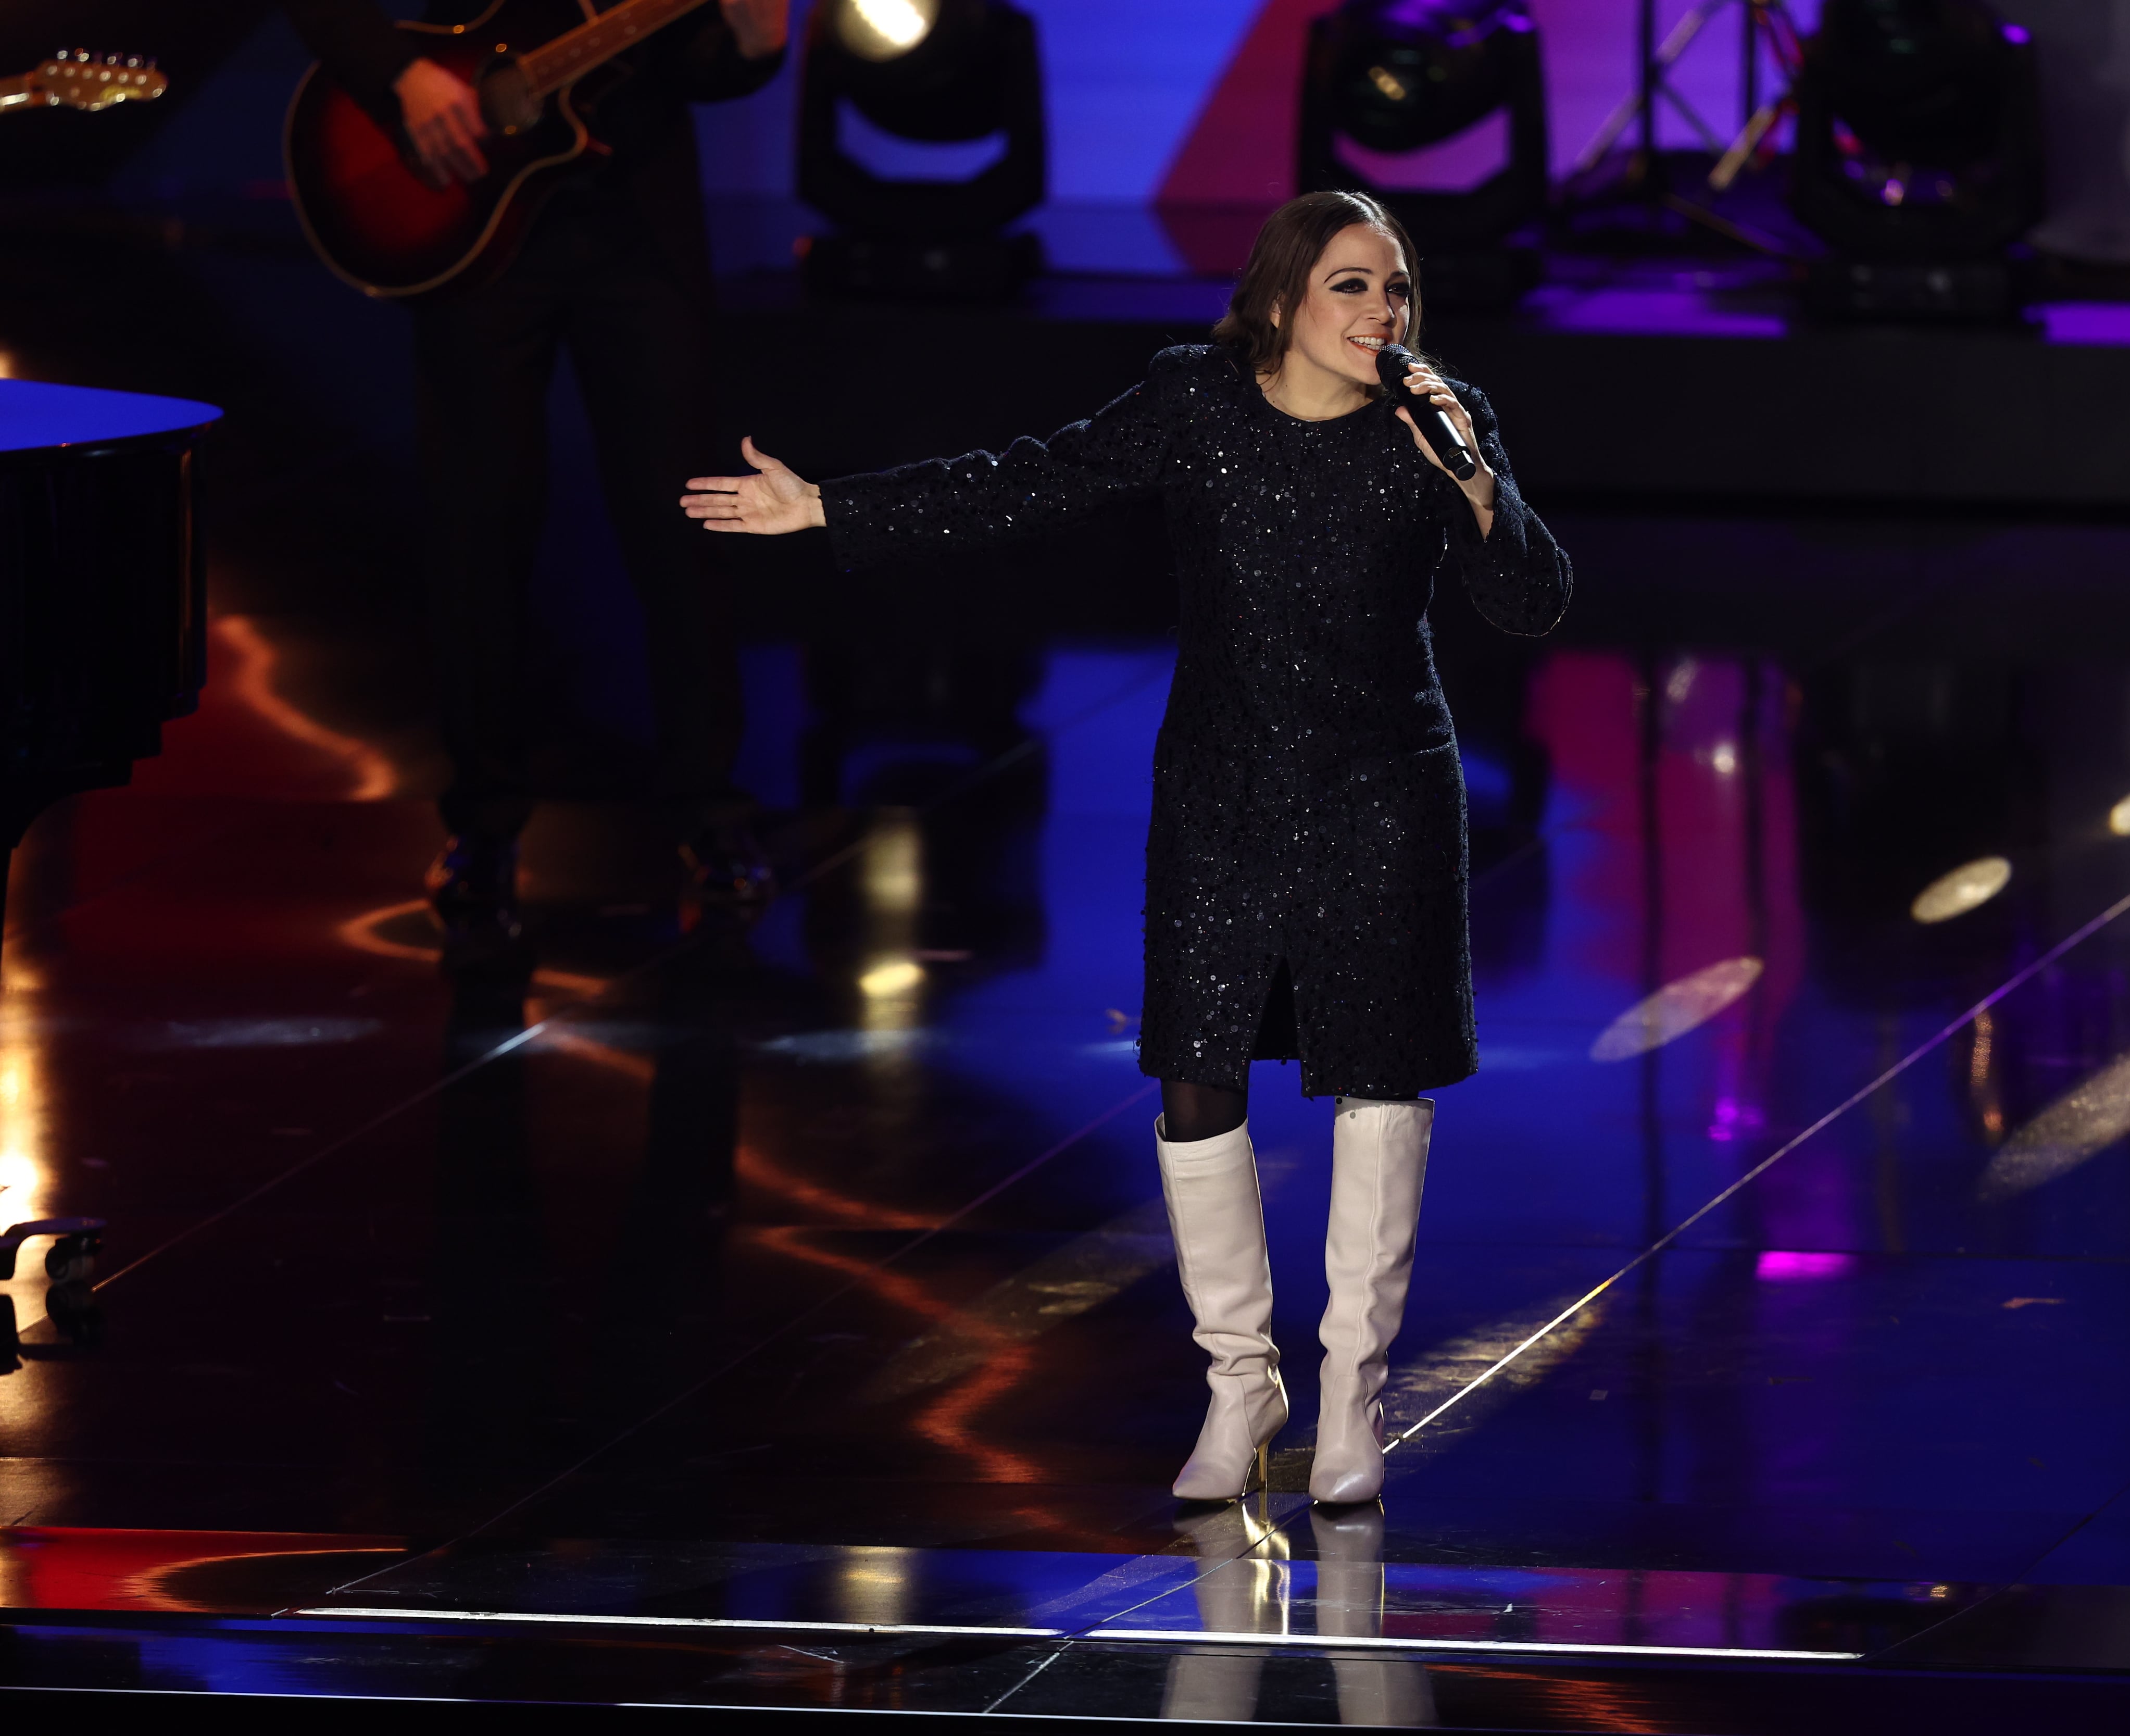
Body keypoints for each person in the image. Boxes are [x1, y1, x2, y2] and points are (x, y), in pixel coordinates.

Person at [681, 192, 1573, 1504]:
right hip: (1219, 788)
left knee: (1377, 1085)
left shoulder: (1436, 422)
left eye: (1395, 292)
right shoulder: (1196, 403)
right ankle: (1237, 1381)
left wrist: (1477, 484)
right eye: (1349, 286)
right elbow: (1028, 480)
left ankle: (1351, 1398)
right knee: (1196, 1077)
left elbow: (1533, 600)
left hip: (1382, 790)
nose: (1381, 314)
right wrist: (830, 510)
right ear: (1278, 300)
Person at [280, 0, 789, 946]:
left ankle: (710, 812)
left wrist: (755, 44)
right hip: (475, 204)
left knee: (686, 524)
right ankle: (482, 826)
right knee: (479, 526)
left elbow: (699, 62)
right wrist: (399, 73)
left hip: (636, 222)